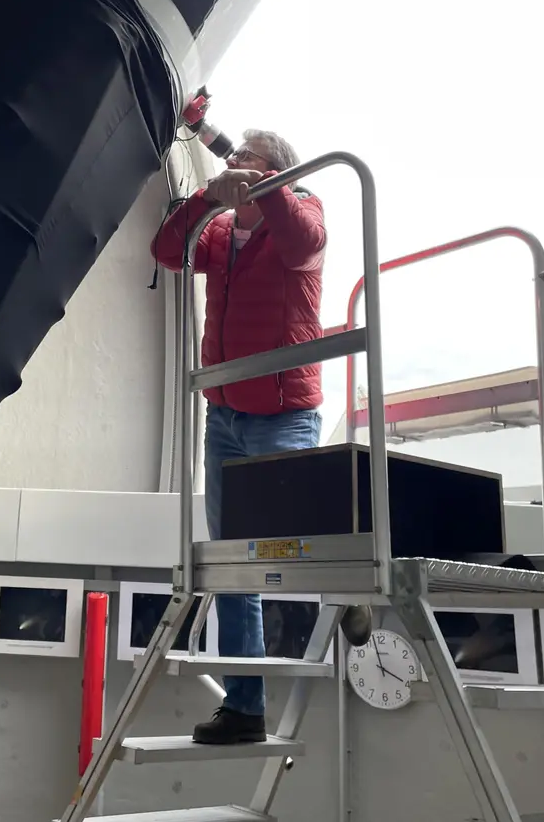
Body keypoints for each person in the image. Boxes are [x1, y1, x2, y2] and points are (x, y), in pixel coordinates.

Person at [152, 130, 373, 745]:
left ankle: (348, 590)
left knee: (294, 537)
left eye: (246, 157)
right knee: (230, 563)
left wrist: (266, 191)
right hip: (224, 414)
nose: (232, 164)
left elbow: (305, 244)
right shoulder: (218, 231)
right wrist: (204, 200)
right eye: (234, 158)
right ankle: (245, 707)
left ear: (278, 171)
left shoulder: (301, 211)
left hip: (281, 412)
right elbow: (168, 251)